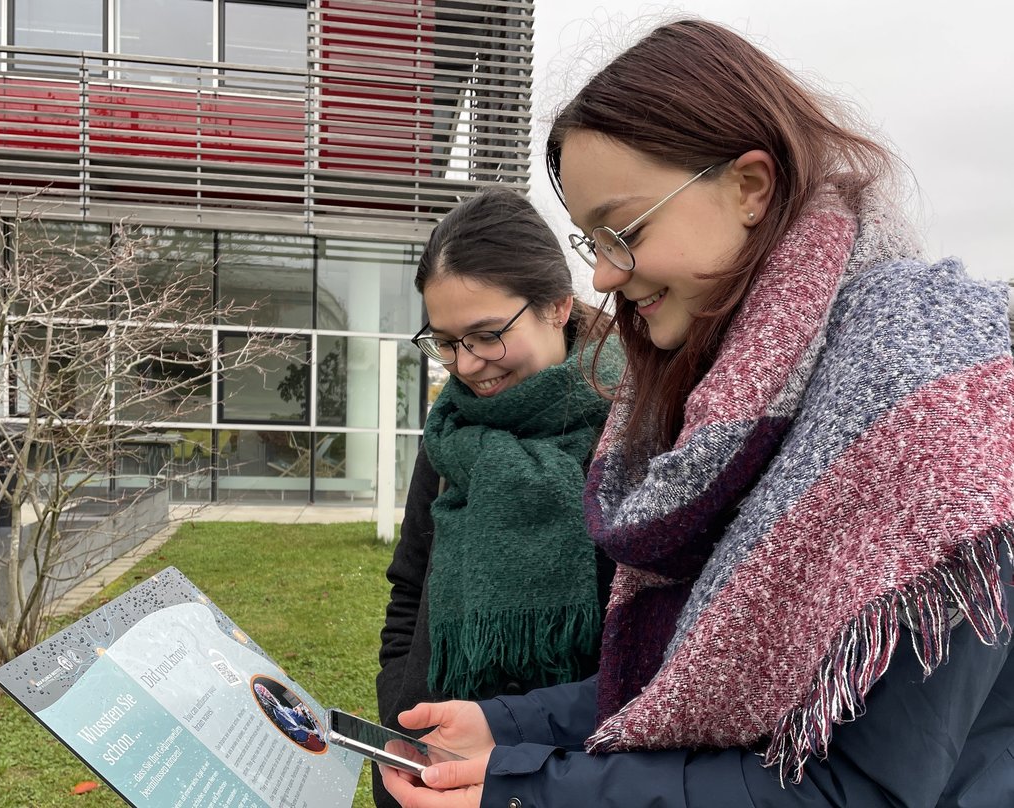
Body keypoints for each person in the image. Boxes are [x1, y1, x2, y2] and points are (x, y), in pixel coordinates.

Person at [380, 17, 1014, 808]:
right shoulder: (732, 399)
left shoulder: (922, 398)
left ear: (749, 187)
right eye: (589, 242)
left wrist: (527, 785)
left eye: (626, 229)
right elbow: (701, 680)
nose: (605, 277)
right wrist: (509, 726)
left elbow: (858, 783)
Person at [374, 188, 624, 807]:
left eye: (486, 335)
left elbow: (653, 643)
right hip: (424, 763)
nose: (466, 365)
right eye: (445, 341)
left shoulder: (637, 430)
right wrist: (397, 703)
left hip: (570, 771)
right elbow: (410, 585)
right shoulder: (451, 433)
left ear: (558, 306)